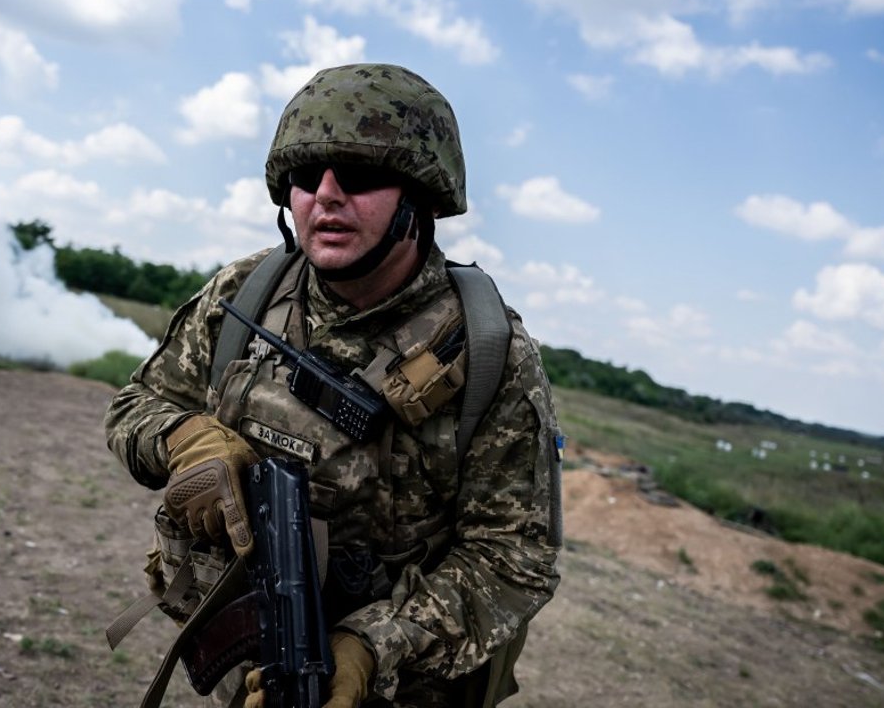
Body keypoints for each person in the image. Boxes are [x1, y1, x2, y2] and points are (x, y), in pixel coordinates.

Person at [105, 63, 562, 708]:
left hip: (397, 685)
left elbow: (513, 557)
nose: (325, 194)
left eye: (361, 174)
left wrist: (374, 646)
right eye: (304, 176)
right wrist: (185, 439)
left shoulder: (489, 354)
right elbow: (135, 406)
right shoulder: (247, 292)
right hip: (252, 662)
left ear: (423, 197)